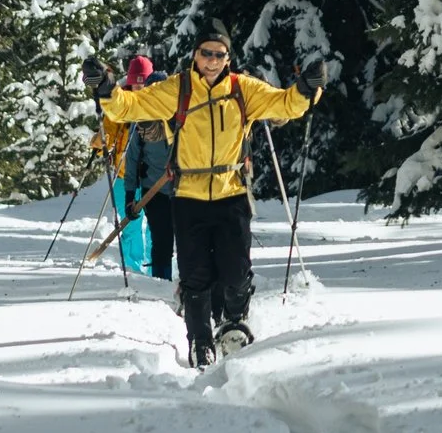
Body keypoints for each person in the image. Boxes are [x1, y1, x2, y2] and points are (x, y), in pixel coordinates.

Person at [82, 30, 325, 367]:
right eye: (206, 53)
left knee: (237, 272)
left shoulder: (243, 89)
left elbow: (284, 103)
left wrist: (305, 89)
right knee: (196, 275)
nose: (212, 61)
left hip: (231, 194)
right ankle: (200, 341)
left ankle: (233, 323)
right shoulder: (178, 88)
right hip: (188, 197)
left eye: (219, 55)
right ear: (195, 55)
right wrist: (108, 88)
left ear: (228, 58)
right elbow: (131, 107)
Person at [118, 57, 177, 284]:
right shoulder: (143, 123)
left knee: (189, 243)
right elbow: (131, 161)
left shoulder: (182, 120)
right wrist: (131, 196)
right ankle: (162, 284)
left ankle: (193, 290)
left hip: (184, 191)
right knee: (161, 241)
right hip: (155, 190)